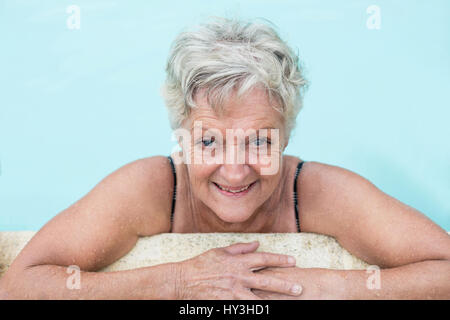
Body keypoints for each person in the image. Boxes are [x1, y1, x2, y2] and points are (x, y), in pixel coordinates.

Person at [1, 17, 449, 300]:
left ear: (288, 136)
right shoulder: (152, 189)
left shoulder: (316, 192)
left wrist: (337, 286)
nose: (235, 170)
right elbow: (19, 284)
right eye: (209, 142)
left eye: (260, 142)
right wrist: (174, 282)